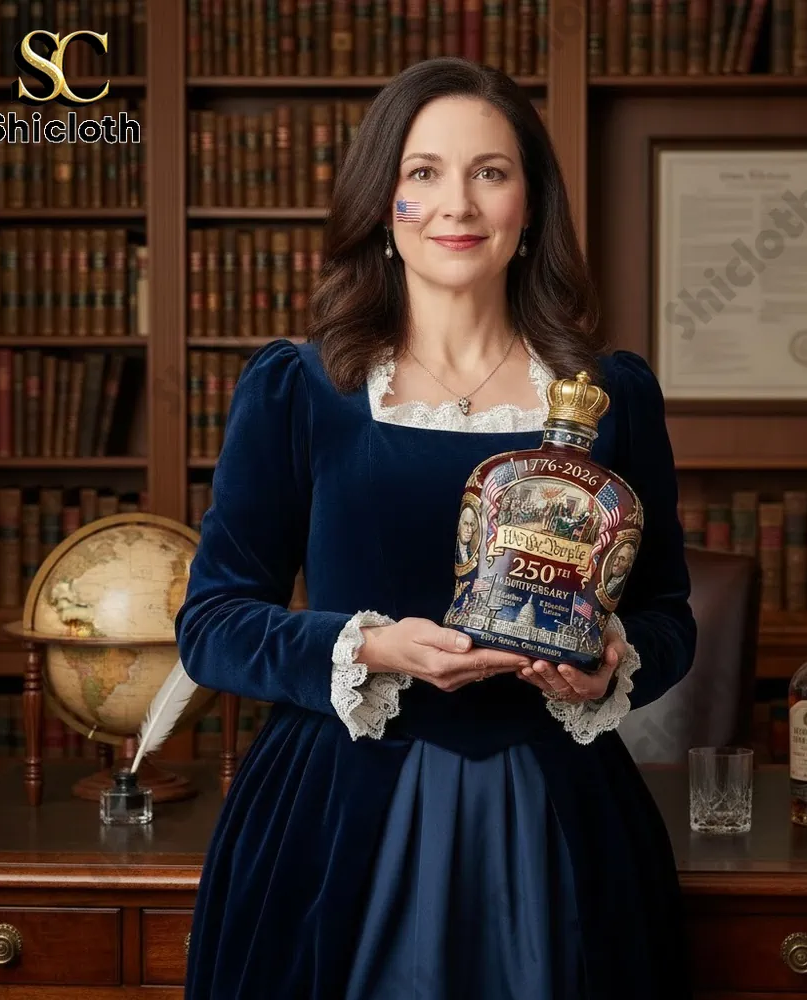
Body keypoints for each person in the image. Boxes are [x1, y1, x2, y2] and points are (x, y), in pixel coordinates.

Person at [176, 56, 697, 1000]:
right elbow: (211, 625)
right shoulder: (301, 392)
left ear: (530, 206)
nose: (457, 203)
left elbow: (667, 616)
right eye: (424, 173)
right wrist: (369, 646)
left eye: (490, 172)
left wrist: (613, 662)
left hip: (557, 818)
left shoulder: (612, 397)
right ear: (386, 206)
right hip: (332, 824)